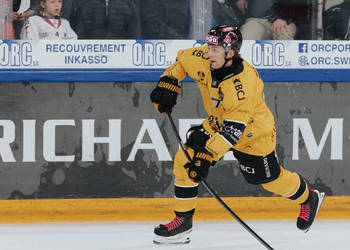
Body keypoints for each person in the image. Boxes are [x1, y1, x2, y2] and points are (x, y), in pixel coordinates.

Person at [149, 24, 325, 244]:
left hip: (252, 134)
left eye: (215, 49)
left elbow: (233, 131)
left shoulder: (243, 83)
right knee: (184, 159)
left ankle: (309, 197)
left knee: (268, 180)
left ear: (230, 53)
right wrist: (169, 82)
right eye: (208, 47)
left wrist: (206, 156)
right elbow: (181, 63)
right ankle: (183, 221)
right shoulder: (204, 56)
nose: (208, 52)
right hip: (218, 122)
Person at [239, 0, 310, 40]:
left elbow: (300, 5)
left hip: (285, 21)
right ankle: (243, 66)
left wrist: (284, 18)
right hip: (257, 20)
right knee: (246, 36)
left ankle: (285, 65)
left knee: (283, 38)